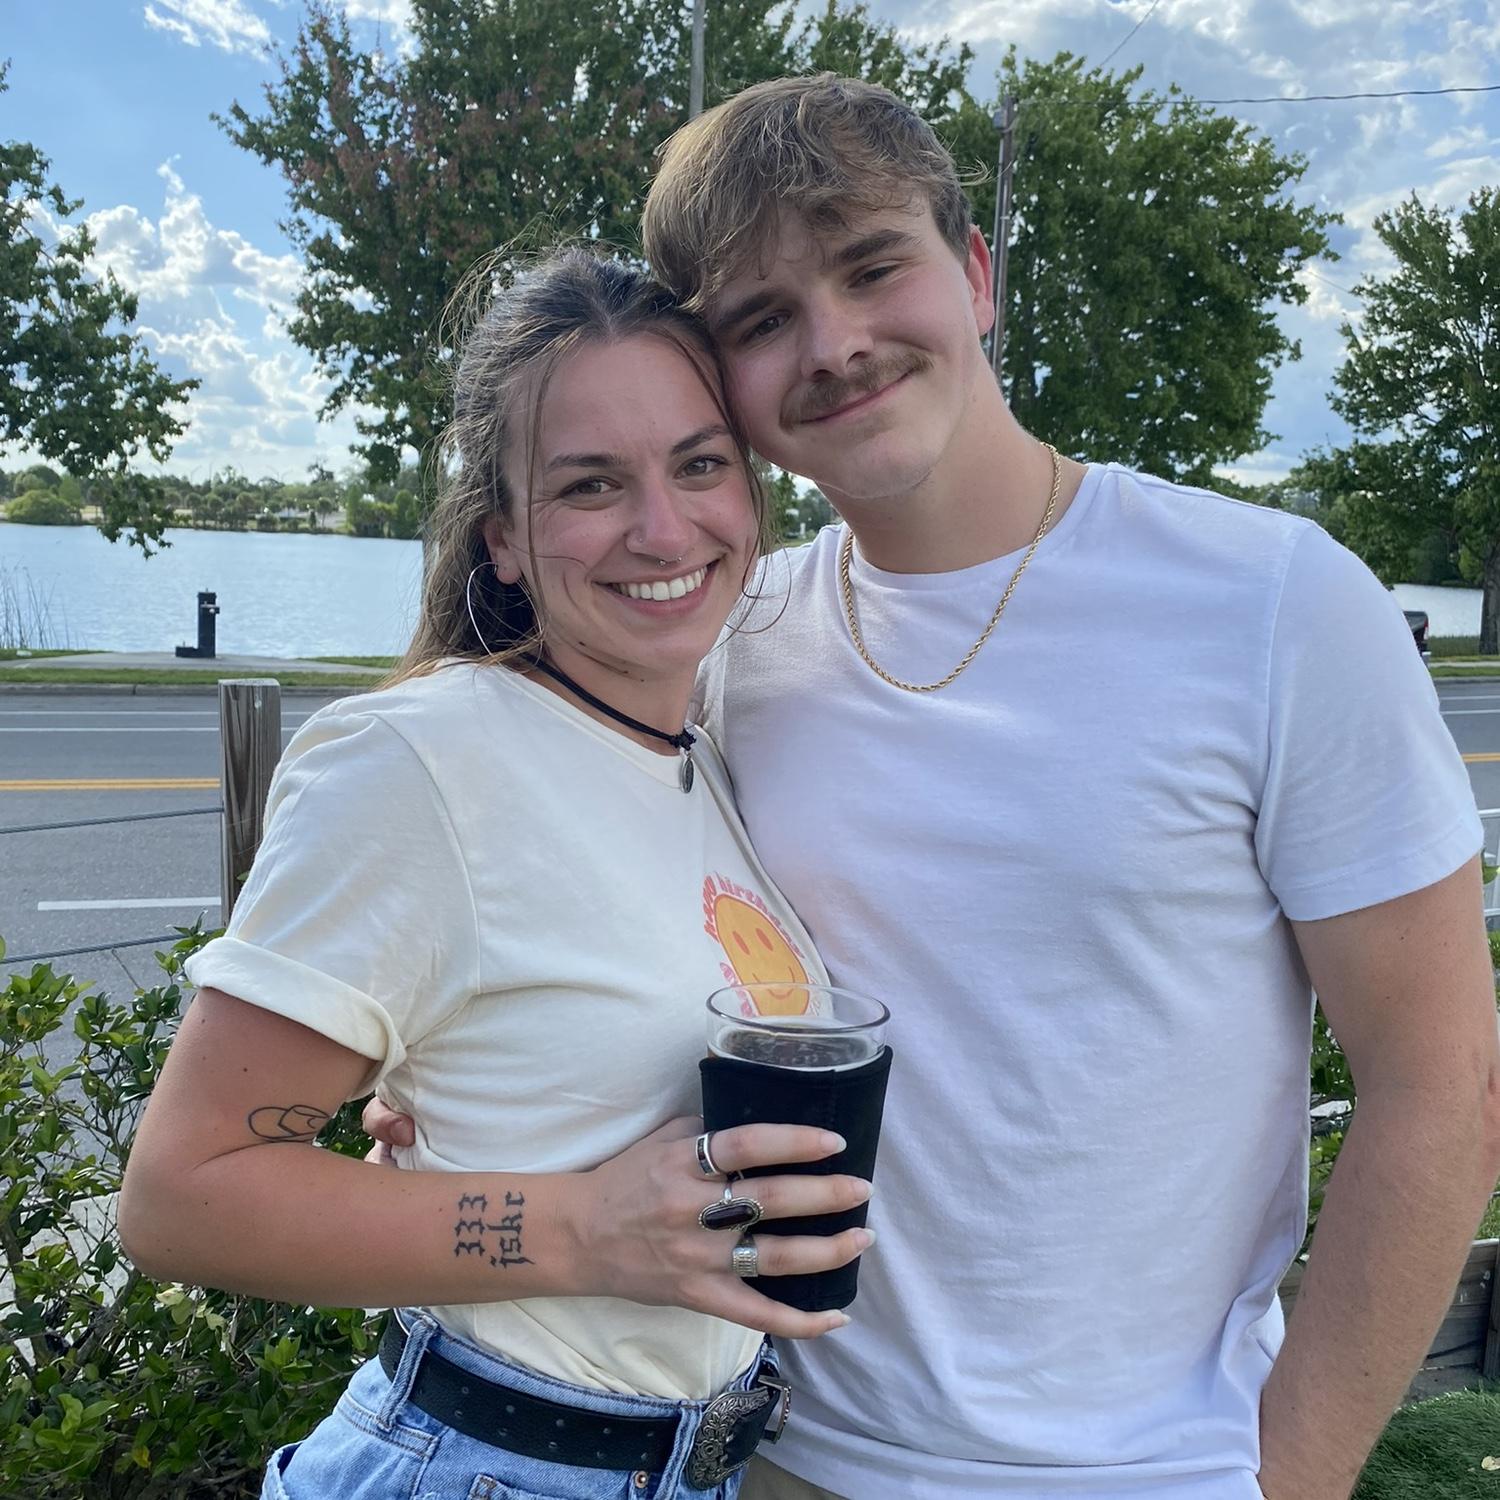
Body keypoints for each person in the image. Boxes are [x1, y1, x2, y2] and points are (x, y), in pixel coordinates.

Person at [360, 74, 1500, 1500]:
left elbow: (1442, 1084)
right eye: (761, 319)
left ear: (975, 273)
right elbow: (594, 931)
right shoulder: (722, 635)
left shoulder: (1274, 607)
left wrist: (1298, 1475)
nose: (833, 344)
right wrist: (477, 1110)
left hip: (1142, 1474)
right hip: (765, 1452)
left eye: (870, 266)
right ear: (725, 382)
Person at [118, 248, 877, 1500]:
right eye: (590, 484)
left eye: (700, 464)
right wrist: (578, 1228)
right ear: (504, 540)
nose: (663, 528)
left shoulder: (698, 757)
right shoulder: (422, 761)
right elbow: (178, 1199)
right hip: (492, 1463)